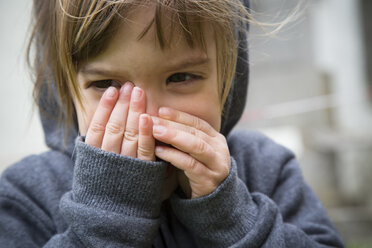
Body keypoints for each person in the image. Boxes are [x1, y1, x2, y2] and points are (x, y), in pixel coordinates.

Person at [0, 0, 344, 247]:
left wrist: (234, 220)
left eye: (181, 77)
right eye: (107, 85)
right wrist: (104, 223)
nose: (145, 122)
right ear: (65, 92)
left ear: (228, 83)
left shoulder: (267, 168)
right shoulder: (26, 195)